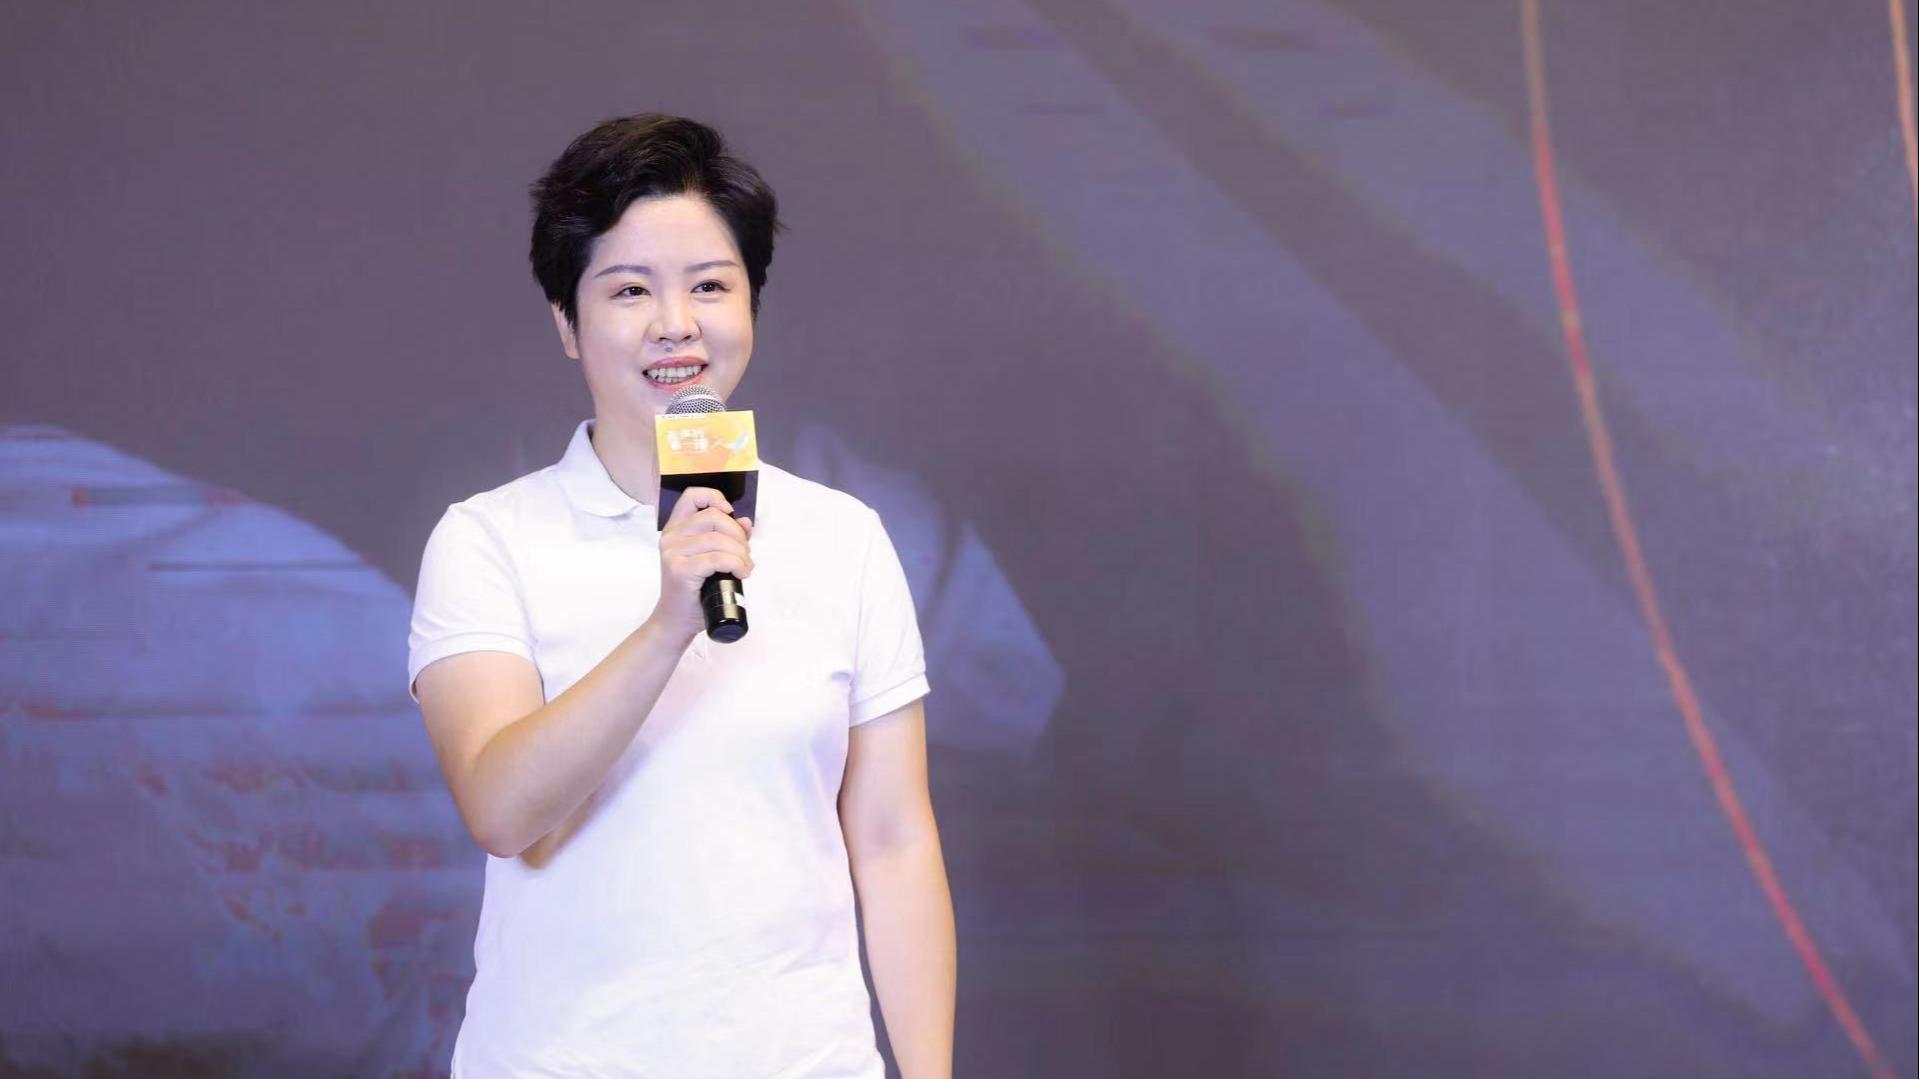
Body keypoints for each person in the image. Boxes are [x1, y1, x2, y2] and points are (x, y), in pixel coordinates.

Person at [407, 114, 956, 1079]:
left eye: (709, 285)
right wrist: (668, 623)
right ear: (567, 323)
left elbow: (892, 837)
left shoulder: (843, 536)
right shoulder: (488, 538)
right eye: (630, 290)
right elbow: (502, 810)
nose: (676, 323)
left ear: (751, 305)